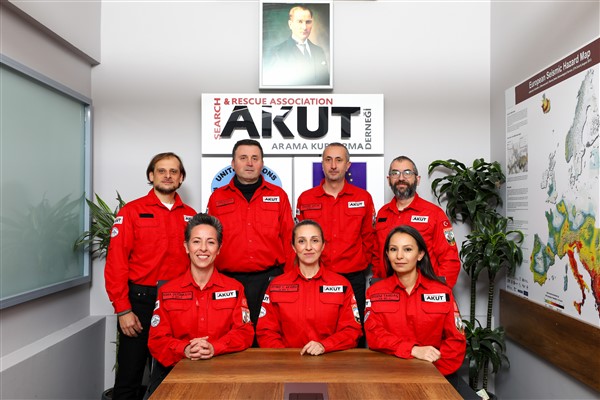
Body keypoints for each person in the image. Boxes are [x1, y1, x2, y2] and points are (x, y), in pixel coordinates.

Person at [104, 152, 196, 400]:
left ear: (181, 178)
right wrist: (123, 310)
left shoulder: (191, 215)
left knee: (176, 372)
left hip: (178, 302)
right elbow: (116, 263)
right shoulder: (132, 211)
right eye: (161, 171)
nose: (168, 176)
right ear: (151, 175)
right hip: (140, 303)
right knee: (130, 375)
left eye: (173, 171)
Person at [145, 213, 254, 396]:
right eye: (196, 241)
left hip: (223, 374)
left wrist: (214, 347)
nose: (203, 248)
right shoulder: (167, 291)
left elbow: (245, 332)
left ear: (219, 249)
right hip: (175, 372)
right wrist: (185, 349)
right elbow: (156, 340)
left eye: (210, 242)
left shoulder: (235, 289)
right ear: (186, 247)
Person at [364, 225, 472, 397]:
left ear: (420, 254)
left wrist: (429, 372)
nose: (399, 256)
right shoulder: (375, 292)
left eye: (407, 249)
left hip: (436, 373)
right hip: (390, 375)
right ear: (387, 254)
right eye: (393, 249)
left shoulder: (441, 292)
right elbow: (374, 336)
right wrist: (412, 350)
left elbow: (456, 342)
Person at [207, 139, 294, 338]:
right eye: (243, 158)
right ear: (233, 163)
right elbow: (210, 242)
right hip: (228, 281)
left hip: (270, 280)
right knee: (231, 336)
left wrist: (288, 280)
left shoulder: (278, 196)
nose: (249, 163)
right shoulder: (217, 198)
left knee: (269, 336)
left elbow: (289, 240)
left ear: (262, 163)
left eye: (255, 158)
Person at [295, 143, 375, 345]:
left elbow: (369, 238)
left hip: (352, 278)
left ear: (347, 165)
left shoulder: (363, 198)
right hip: (316, 278)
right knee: (316, 331)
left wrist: (358, 262)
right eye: (328, 160)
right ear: (322, 164)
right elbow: (298, 239)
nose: (333, 165)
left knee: (355, 336)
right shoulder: (306, 198)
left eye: (339, 160)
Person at [256, 220, 362, 354]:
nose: (308, 247)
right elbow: (266, 331)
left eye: (315, 240)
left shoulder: (342, 285)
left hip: (330, 360)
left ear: (323, 245)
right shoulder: (276, 286)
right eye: (301, 241)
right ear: (293, 247)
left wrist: (325, 346)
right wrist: (285, 356)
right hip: (286, 362)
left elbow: (352, 330)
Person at [372, 156, 460, 287]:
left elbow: (450, 260)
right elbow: (377, 256)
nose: (401, 178)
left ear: (417, 179)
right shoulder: (382, 214)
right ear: (389, 180)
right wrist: (377, 286)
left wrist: (438, 292)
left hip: (424, 292)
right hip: (388, 292)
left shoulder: (434, 214)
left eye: (407, 173)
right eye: (395, 173)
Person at [264, 4, 330, 86]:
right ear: (290, 24)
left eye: (308, 22)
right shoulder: (277, 53)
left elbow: (326, 83)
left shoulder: (319, 50)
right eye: (300, 22)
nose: (304, 27)